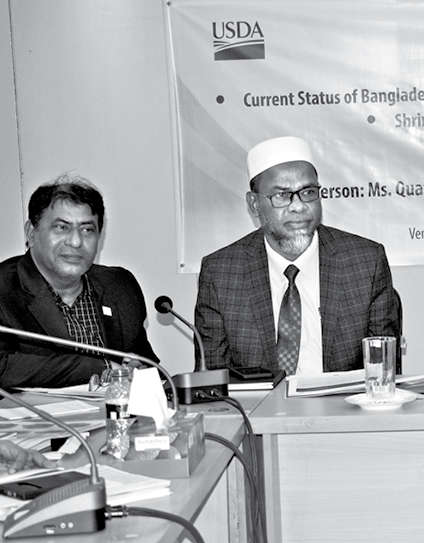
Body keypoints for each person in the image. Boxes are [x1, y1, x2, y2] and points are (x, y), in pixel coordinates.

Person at [195, 136, 402, 375]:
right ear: (254, 204)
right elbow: (212, 381)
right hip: (259, 401)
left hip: (344, 399)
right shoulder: (221, 273)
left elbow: (382, 373)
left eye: (308, 192)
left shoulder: (365, 263)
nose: (298, 206)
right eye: (282, 195)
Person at [0, 176, 158, 388]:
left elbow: (148, 364)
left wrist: (140, 369)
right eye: (61, 227)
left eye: (87, 230)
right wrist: (101, 367)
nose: (75, 241)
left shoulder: (119, 286)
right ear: (31, 232)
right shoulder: (5, 288)